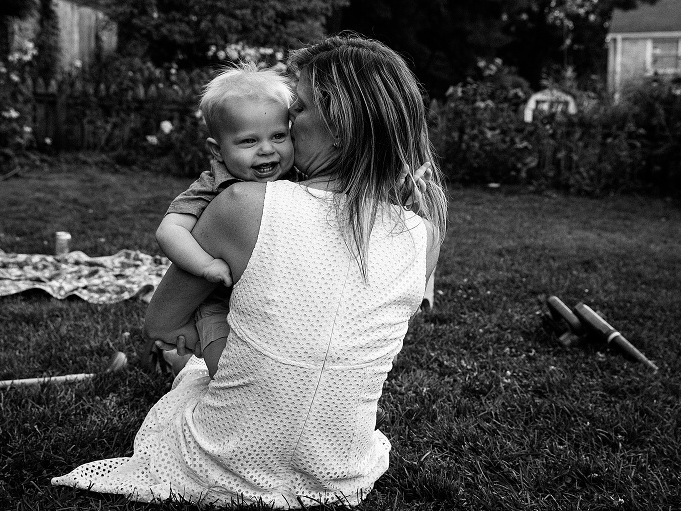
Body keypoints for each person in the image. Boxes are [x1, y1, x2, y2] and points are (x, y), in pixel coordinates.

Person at [52, 34, 447, 508]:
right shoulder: (422, 231)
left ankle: (184, 371)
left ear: (340, 125)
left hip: (224, 464)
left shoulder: (245, 203)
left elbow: (160, 323)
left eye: (296, 109)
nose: (284, 121)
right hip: (337, 472)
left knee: (196, 372)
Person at [151, 62, 294, 377]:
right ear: (217, 150)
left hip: (269, 302)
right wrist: (205, 265)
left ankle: (180, 362)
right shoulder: (214, 183)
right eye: (248, 141)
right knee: (226, 370)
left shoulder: (296, 178)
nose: (267, 150)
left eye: (279, 135)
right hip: (218, 301)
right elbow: (170, 230)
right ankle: (183, 368)